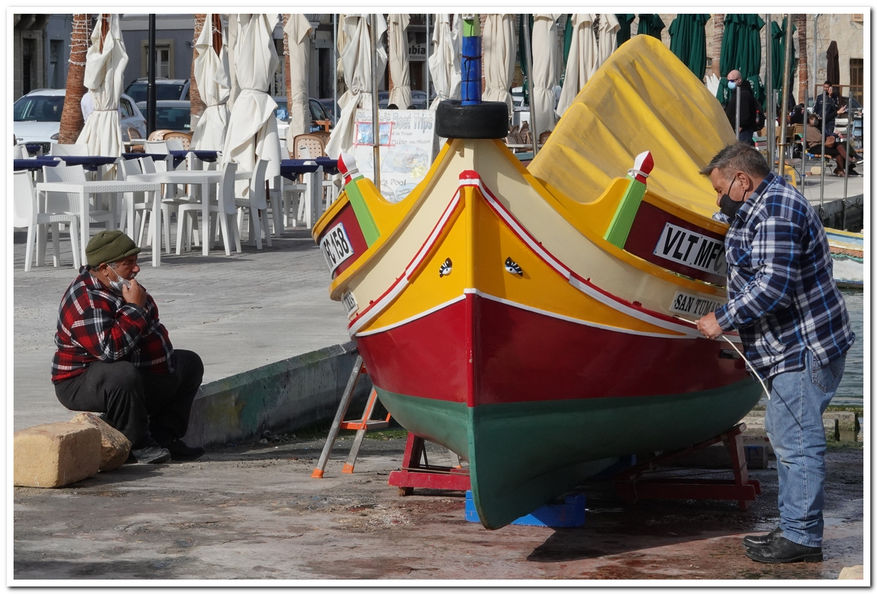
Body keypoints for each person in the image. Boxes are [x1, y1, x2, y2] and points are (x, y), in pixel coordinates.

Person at [696, 143, 854, 564]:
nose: (719, 198)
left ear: (742, 180)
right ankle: (793, 526)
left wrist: (722, 317)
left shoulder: (777, 211)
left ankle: (802, 538)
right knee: (786, 435)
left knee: (796, 442)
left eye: (720, 188)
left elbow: (772, 287)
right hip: (787, 346)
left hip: (804, 345)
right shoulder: (759, 207)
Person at [52, 230, 205, 464]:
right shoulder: (86, 301)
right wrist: (134, 309)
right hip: (79, 381)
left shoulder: (118, 285)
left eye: (136, 262)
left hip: (126, 366)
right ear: (105, 268)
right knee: (123, 375)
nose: (136, 269)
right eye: (129, 263)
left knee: (189, 363)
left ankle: (164, 437)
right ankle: (135, 444)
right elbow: (110, 351)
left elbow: (149, 320)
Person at [723, 70, 759, 145]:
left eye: (732, 80)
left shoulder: (743, 93)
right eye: (728, 80)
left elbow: (745, 112)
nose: (730, 83)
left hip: (742, 131)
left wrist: (741, 126)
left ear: (739, 80)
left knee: (741, 152)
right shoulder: (736, 92)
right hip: (737, 130)